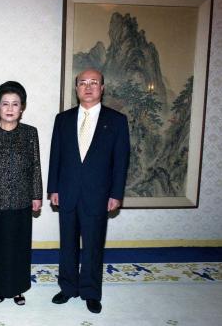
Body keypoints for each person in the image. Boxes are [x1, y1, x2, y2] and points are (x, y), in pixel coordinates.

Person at [47, 68, 130, 314]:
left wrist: (116, 194)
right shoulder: (63, 119)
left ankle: (91, 292)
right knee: (67, 244)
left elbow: (121, 161)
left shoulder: (116, 121)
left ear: (102, 88)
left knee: (93, 246)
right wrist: (53, 188)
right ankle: (68, 288)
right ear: (76, 88)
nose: (88, 86)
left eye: (94, 82)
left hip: (99, 194)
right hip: (67, 192)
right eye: (83, 82)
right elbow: (56, 157)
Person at [0, 81, 42, 306]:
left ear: (22, 108)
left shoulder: (30, 133)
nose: (10, 108)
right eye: (5, 103)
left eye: (15, 104)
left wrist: (37, 196)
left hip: (22, 200)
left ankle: (18, 289)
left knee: (19, 248)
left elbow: (36, 166)